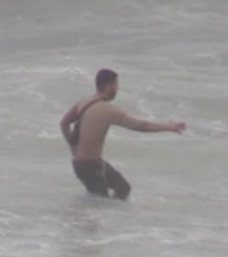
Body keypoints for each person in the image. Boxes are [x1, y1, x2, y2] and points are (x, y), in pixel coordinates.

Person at [60, 68, 186, 200]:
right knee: (100, 203)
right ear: (108, 86)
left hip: (87, 163)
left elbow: (64, 123)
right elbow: (141, 125)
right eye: (116, 85)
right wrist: (167, 126)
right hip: (89, 166)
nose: (117, 89)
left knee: (123, 188)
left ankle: (113, 219)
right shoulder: (107, 110)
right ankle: (80, 218)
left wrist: (73, 148)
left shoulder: (83, 101)